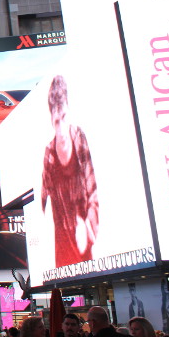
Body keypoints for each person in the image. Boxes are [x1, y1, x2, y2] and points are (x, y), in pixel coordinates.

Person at [41, 75, 99, 267]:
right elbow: (41, 205)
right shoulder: (49, 153)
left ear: (68, 111)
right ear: (51, 119)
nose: (61, 127)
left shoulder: (78, 137)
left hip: (84, 244)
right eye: (57, 121)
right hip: (62, 250)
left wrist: (86, 224)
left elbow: (92, 190)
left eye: (64, 118)